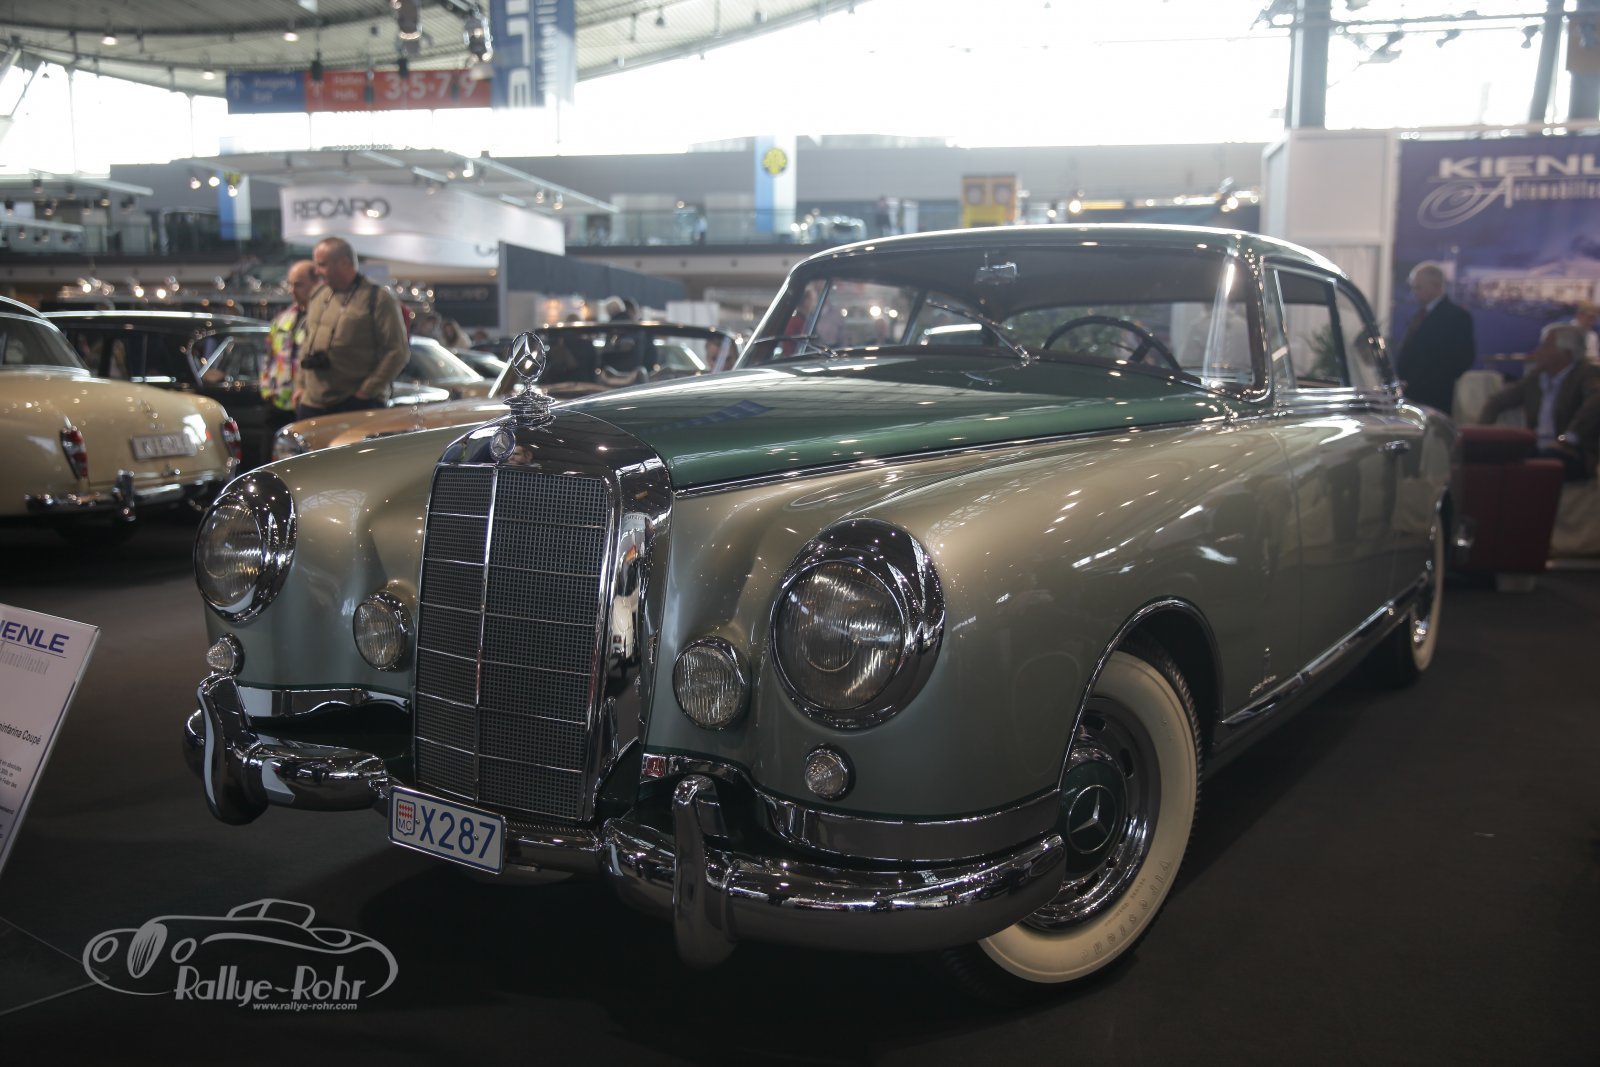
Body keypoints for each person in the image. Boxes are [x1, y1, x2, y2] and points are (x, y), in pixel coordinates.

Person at [295, 237, 410, 419]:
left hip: (354, 403)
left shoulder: (378, 298)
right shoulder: (318, 295)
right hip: (312, 402)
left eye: (322, 265)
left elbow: (397, 352)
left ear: (344, 263)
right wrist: (301, 386)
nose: (317, 271)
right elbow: (307, 343)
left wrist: (366, 392)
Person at [1479, 322, 1600, 482]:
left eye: (1546, 345)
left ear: (1566, 352)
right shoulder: (1536, 377)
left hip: (1572, 453)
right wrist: (1481, 435)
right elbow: (1497, 401)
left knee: (1533, 464)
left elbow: (1595, 403)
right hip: (1535, 446)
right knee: (1489, 460)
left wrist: (1565, 439)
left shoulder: (1586, 373)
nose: (1538, 350)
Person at [1395, 261, 1476, 415]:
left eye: (1418, 287)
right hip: (1411, 396)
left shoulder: (1456, 317)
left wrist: (1430, 382)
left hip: (1436, 399)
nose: (1414, 292)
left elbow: (1464, 358)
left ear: (1435, 285)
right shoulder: (1419, 315)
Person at [260, 258, 317, 445]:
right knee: (268, 452)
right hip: (277, 401)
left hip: (304, 402)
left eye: (299, 284)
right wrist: (267, 389)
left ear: (316, 284)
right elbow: (268, 356)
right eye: (291, 284)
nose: (293, 290)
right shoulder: (282, 318)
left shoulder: (321, 320)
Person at [1559, 299, 1600, 365]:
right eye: (1589, 318)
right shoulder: (1564, 331)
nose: (1591, 322)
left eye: (1594, 319)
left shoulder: (1592, 336)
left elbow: (1594, 358)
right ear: (1579, 315)